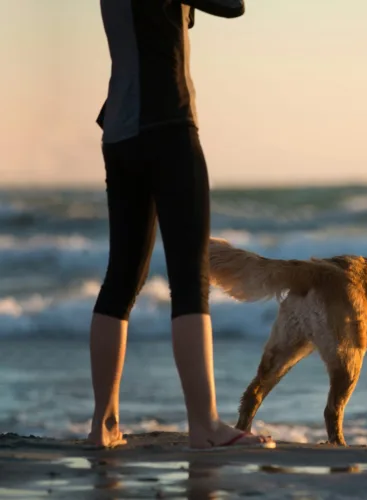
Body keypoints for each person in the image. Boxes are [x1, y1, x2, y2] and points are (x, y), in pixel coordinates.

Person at [87, 0, 275, 450]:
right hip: (168, 125)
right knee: (189, 280)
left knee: (121, 279)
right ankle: (206, 426)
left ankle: (104, 425)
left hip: (119, 132)